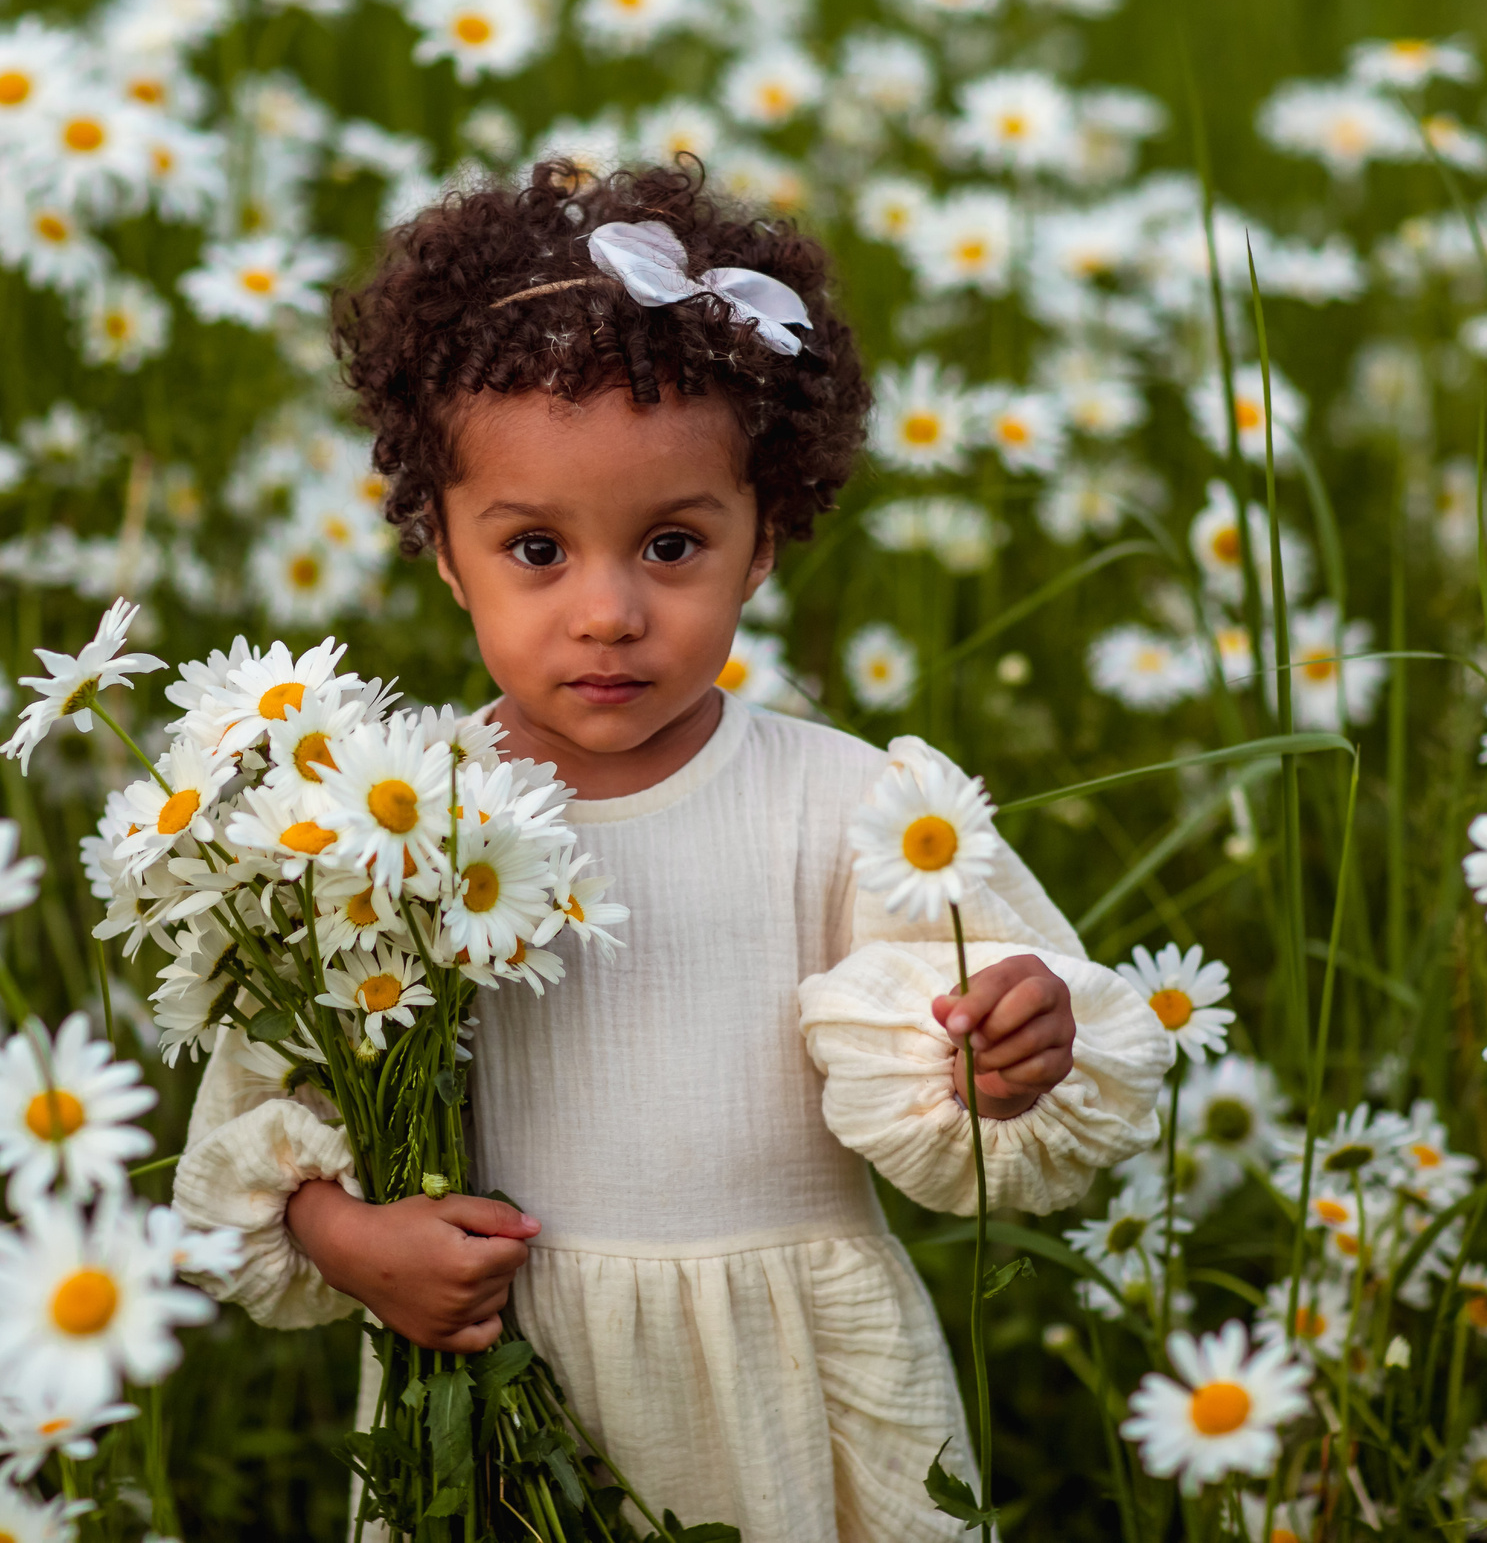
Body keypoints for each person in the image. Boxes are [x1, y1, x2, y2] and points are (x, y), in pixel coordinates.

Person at [174, 161, 1172, 1542]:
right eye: (535, 547)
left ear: (764, 542)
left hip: (783, 1379)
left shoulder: (851, 807)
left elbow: (993, 1049)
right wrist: (357, 1246)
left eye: (671, 544)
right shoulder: (378, 822)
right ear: (443, 551)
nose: (608, 613)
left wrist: (1010, 1049)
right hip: (500, 1379)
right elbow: (253, 1136)